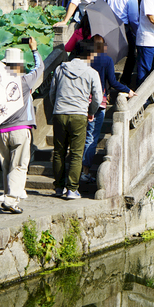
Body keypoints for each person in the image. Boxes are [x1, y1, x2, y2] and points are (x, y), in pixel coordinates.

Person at [50, 40, 103, 200]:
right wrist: (91, 111)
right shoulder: (91, 73)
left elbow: (53, 92)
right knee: (76, 153)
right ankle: (72, 189)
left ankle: (59, 187)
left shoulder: (60, 68)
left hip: (59, 113)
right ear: (89, 54)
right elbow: (98, 97)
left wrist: (57, 107)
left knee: (59, 152)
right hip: (79, 114)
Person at [0, 40, 44, 214]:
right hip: (20, 129)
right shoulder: (23, 81)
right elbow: (40, 68)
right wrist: (34, 49)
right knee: (19, 166)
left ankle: (7, 195)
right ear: (18, 66)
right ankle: (11, 200)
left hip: (2, 131)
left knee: (7, 166)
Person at [82, 35, 136, 184]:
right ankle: (85, 170)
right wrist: (128, 90)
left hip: (82, 101)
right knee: (92, 137)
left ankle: (79, 169)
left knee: (85, 136)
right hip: (98, 102)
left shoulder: (86, 60)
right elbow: (112, 81)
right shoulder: (106, 60)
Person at [106, 0, 139, 85]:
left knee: (109, 57)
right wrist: (137, 32)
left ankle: (107, 84)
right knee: (132, 54)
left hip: (109, 28)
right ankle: (124, 81)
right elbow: (133, 19)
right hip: (124, 28)